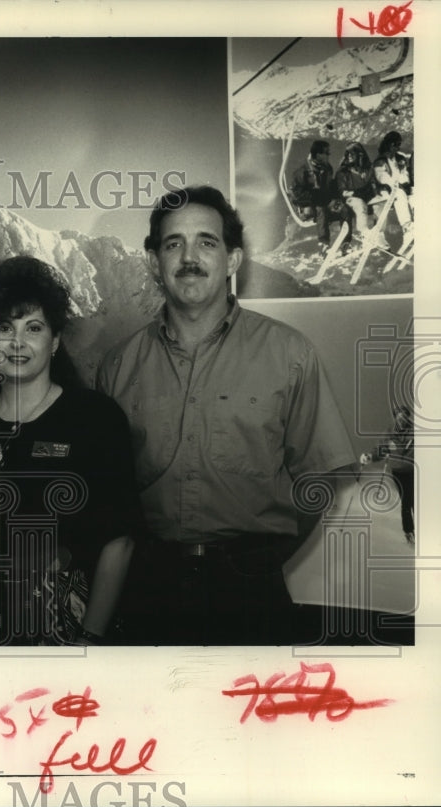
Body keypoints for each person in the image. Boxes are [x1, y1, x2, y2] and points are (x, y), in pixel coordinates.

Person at [97, 186, 356, 645]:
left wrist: (271, 559)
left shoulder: (289, 354)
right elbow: (106, 498)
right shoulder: (118, 367)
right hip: (148, 589)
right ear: (155, 263)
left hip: (253, 590)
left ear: (233, 260)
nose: (189, 257)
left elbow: (327, 477)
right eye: (173, 243)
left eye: (206, 242)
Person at [0, 256, 141, 645]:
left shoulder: (95, 418)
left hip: (71, 633)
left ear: (55, 340)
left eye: (34, 328)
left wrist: (88, 640)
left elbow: (119, 538)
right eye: (4, 328)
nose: (17, 342)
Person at [360, 405, 414, 544]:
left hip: (415, 470)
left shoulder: (415, 432)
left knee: (417, 500)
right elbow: (380, 451)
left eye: (404, 417)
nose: (401, 420)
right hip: (399, 472)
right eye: (399, 417)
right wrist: (369, 457)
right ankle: (409, 531)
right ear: (395, 418)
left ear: (408, 417)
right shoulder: (390, 433)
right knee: (407, 500)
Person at [291, 139, 353, 249]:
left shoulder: (327, 168)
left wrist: (338, 195)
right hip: (310, 205)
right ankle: (324, 243)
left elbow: (329, 187)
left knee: (345, 210)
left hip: (326, 200)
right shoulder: (303, 172)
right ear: (318, 154)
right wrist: (317, 198)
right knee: (322, 209)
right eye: (327, 153)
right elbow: (297, 193)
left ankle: (346, 243)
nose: (328, 156)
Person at [336, 142, 381, 243]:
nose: (349, 156)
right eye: (347, 153)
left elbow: (373, 183)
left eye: (352, 153)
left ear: (359, 154)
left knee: (378, 205)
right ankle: (363, 232)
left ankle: (378, 232)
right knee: (360, 204)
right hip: (351, 199)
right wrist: (355, 193)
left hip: (366, 197)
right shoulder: (343, 172)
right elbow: (342, 192)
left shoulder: (367, 169)